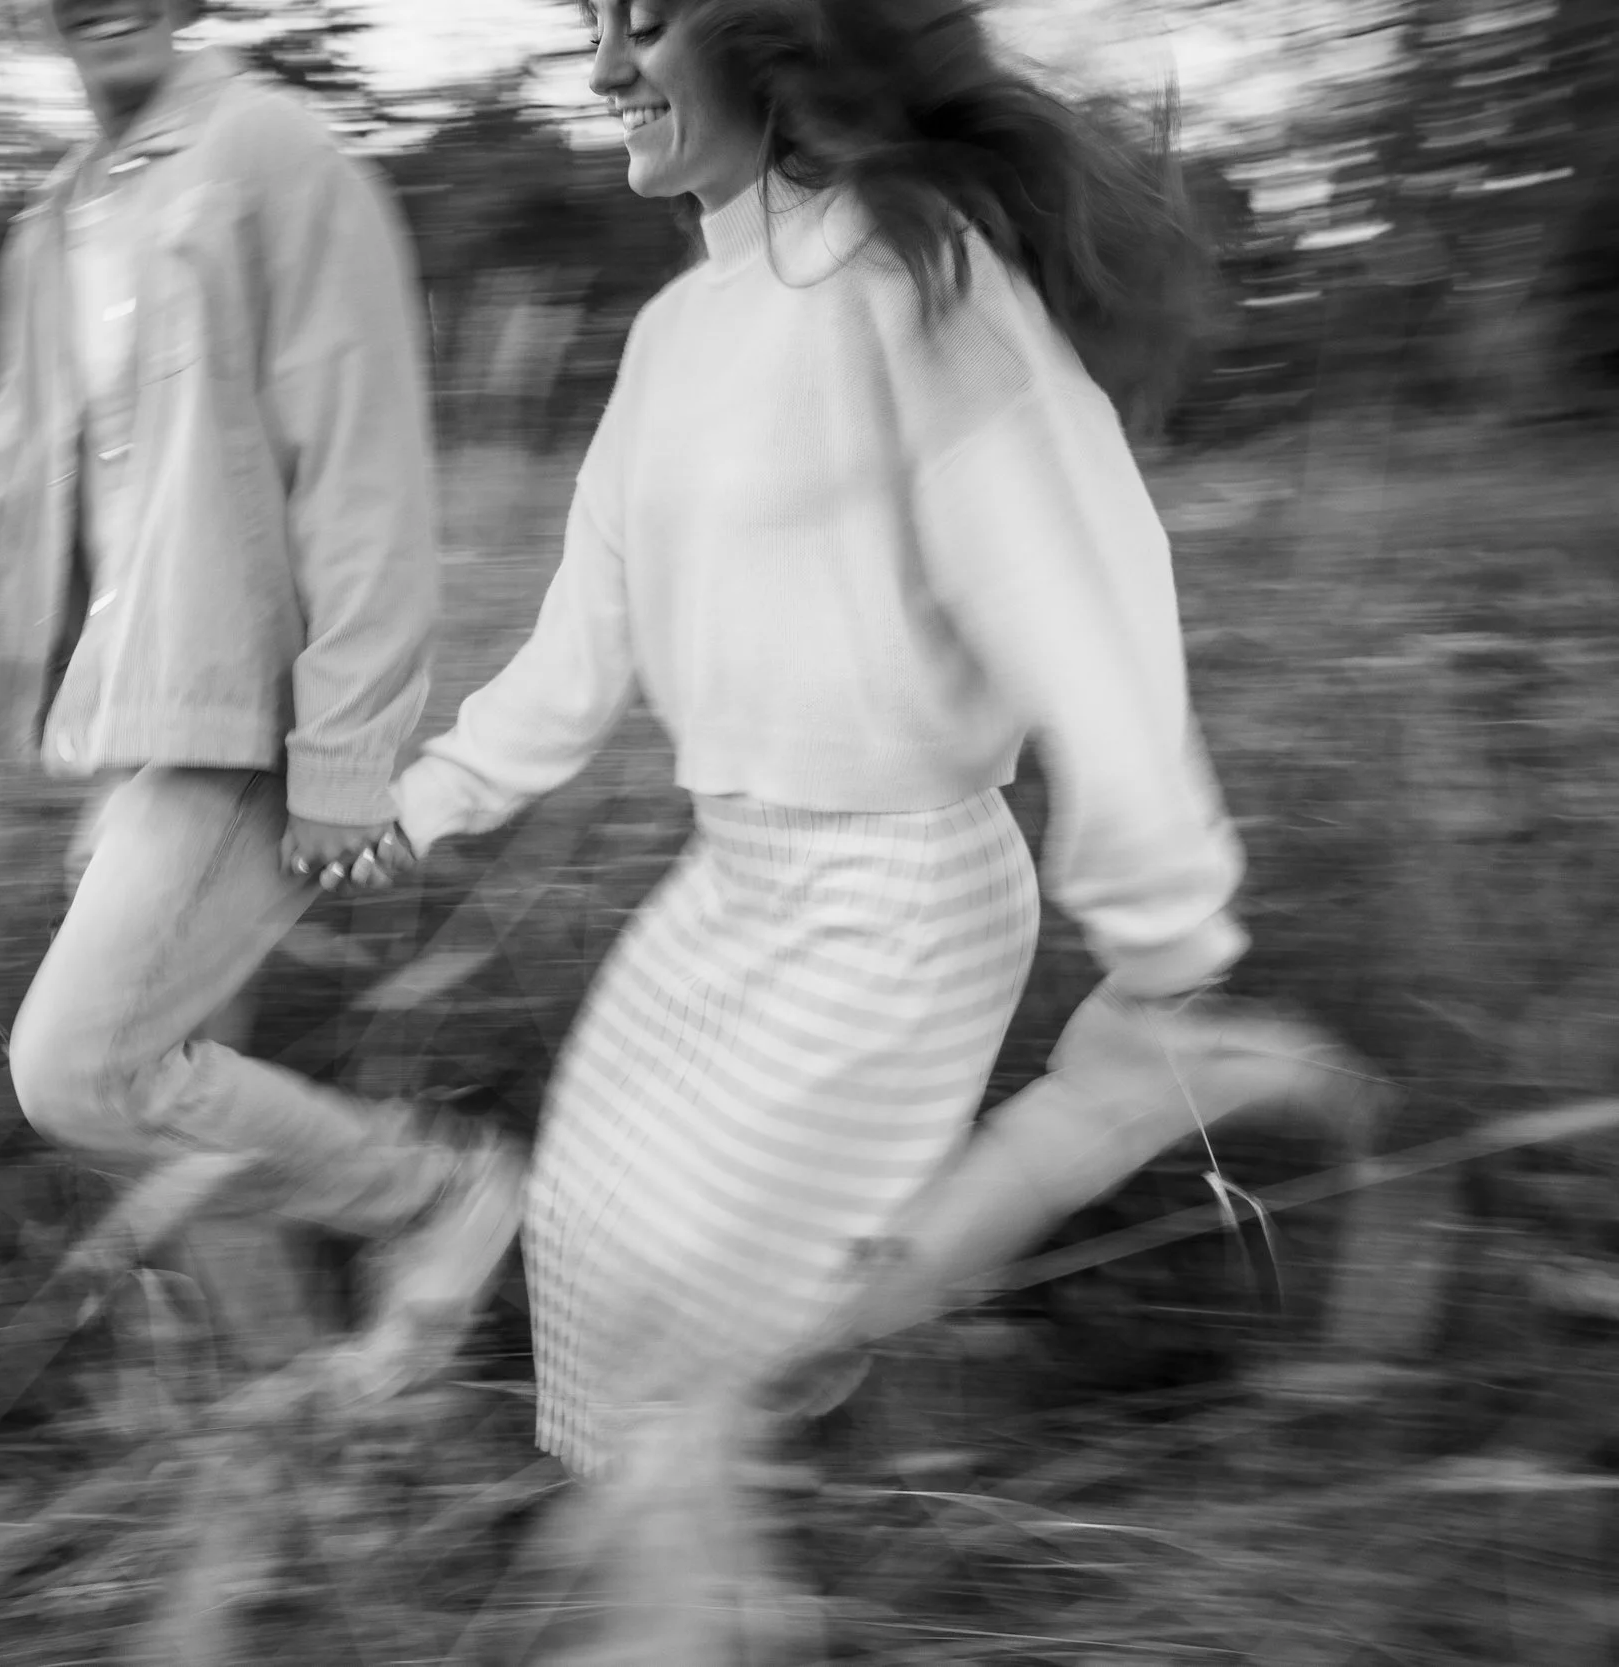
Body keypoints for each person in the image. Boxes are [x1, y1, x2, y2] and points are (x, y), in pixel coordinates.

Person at [375, 0, 1298, 1486]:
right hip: (728, 883)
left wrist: (1164, 942)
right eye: (595, 27)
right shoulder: (676, 333)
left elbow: (1086, 600)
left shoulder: (914, 277)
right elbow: (581, 638)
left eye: (650, 24)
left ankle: (1085, 1133)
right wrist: (418, 804)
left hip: (901, 900)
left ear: (769, 36)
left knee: (713, 1327)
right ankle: (721, 1557)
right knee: (593, 1247)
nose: (608, 68)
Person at [0, 0, 520, 1397]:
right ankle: (298, 1425)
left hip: (253, 710)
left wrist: (346, 746)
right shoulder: (61, 219)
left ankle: (443, 1196)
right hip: (135, 717)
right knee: (184, 1085)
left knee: (85, 1069)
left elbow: (365, 462)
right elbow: (9, 453)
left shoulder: (271, 150)